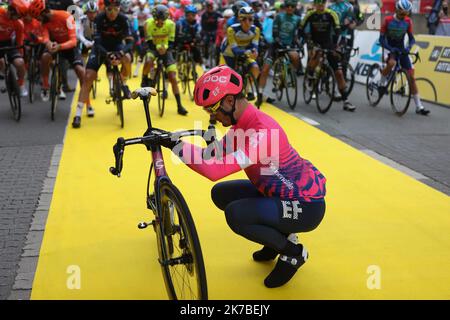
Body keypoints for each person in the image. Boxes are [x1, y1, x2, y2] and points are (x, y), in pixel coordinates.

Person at [160, 65, 327, 288]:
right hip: (278, 193)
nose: (213, 117)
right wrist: (170, 139)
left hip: (306, 206)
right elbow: (213, 154)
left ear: (229, 101)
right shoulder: (242, 124)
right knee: (221, 194)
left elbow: (214, 170)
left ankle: (293, 253)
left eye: (213, 110)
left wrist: (176, 147)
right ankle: (277, 239)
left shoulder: (263, 132)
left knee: (236, 214)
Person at [71, 0, 134, 128]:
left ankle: (124, 82)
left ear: (119, 8)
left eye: (115, 9)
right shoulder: (99, 19)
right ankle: (78, 114)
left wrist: (121, 53)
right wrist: (108, 55)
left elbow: (130, 42)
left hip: (117, 46)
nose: (112, 13)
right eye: (109, 9)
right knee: (88, 77)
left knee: (127, 58)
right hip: (100, 48)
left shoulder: (123, 19)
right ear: (104, 9)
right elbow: (97, 43)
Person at [301, 0, 356, 112]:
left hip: (328, 42)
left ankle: (346, 101)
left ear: (325, 3)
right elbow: (301, 29)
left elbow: (337, 30)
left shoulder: (332, 14)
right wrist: (307, 40)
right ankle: (310, 76)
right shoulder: (310, 14)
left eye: (323, 3)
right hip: (314, 42)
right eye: (318, 3)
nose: (321, 5)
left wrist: (337, 46)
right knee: (316, 56)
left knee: (339, 73)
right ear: (315, 4)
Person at [29, 0, 87, 104]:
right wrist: (48, 44)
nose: (39, 21)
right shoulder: (44, 22)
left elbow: (73, 41)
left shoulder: (66, 16)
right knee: (45, 57)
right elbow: (46, 37)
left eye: (39, 18)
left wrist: (60, 46)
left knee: (80, 70)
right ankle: (45, 86)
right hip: (55, 44)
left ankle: (87, 102)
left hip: (68, 44)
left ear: (45, 12)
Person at [379, 0, 430, 115]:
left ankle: (419, 106)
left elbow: (412, 38)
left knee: (411, 77)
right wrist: (390, 48)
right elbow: (381, 40)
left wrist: (409, 47)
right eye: (402, 13)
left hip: (401, 48)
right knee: (391, 63)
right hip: (388, 47)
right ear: (396, 10)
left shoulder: (408, 21)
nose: (403, 16)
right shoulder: (387, 20)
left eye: (406, 14)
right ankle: (382, 83)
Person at [142, 4, 188, 115]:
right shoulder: (147, 24)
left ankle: (179, 106)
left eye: (162, 20)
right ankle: (144, 78)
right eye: (157, 20)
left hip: (166, 50)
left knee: (172, 77)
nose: (160, 23)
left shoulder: (171, 25)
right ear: (154, 18)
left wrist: (165, 49)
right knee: (148, 60)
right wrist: (158, 50)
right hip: (153, 48)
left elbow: (172, 42)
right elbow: (148, 43)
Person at [222, 6, 260, 101]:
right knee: (230, 75)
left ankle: (249, 88)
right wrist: (249, 51)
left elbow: (255, 46)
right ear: (239, 19)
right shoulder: (232, 30)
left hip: (245, 52)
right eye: (244, 19)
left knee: (255, 67)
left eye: (250, 19)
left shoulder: (256, 30)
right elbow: (235, 50)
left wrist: (255, 51)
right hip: (229, 52)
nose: (247, 22)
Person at [0, 0, 28, 97]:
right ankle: (6, 75)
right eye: (19, 15)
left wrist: (21, 56)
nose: (20, 18)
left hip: (8, 43)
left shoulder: (18, 23)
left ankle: (21, 84)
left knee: (20, 63)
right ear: (12, 11)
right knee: (1, 62)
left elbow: (19, 41)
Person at [176, 5, 203, 69]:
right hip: (182, 40)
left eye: (192, 15)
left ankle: (197, 65)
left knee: (197, 51)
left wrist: (196, 39)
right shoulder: (180, 22)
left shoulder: (197, 23)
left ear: (195, 15)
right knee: (176, 49)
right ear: (185, 15)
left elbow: (199, 31)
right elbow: (178, 31)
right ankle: (177, 63)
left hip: (192, 41)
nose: (190, 17)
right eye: (188, 15)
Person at [201, 0, 222, 67]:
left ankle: (217, 59)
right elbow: (202, 25)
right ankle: (206, 58)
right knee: (205, 43)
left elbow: (222, 21)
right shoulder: (204, 15)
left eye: (211, 6)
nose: (210, 8)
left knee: (218, 46)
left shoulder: (217, 14)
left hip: (215, 32)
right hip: (206, 32)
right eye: (208, 6)